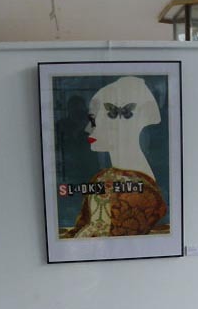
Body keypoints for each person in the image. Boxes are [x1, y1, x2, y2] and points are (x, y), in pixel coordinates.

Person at [63, 76, 167, 238]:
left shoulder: (142, 192)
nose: (88, 128)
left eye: (93, 120)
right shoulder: (102, 177)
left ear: (119, 124)